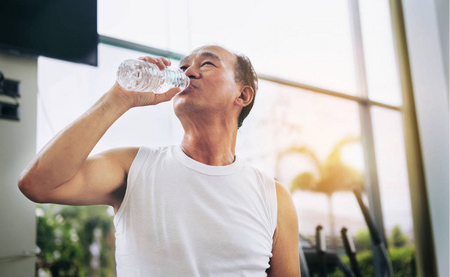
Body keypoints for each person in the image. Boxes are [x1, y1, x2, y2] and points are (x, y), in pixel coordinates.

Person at [18, 45, 301, 276]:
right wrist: (117, 99)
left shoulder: (274, 197)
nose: (188, 71)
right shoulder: (134, 167)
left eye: (206, 64)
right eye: (183, 67)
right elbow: (36, 184)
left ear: (243, 94)